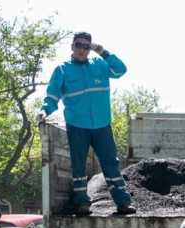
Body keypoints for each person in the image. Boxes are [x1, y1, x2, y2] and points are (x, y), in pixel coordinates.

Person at [39, 31, 135, 215]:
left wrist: (103, 51)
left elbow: (121, 70)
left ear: (90, 48)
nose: (82, 50)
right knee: (78, 165)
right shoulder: (62, 69)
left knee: (111, 164)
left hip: (102, 125)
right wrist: (44, 110)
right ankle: (82, 203)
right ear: (72, 47)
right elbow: (52, 96)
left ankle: (123, 202)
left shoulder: (100, 64)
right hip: (77, 126)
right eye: (78, 45)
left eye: (86, 46)